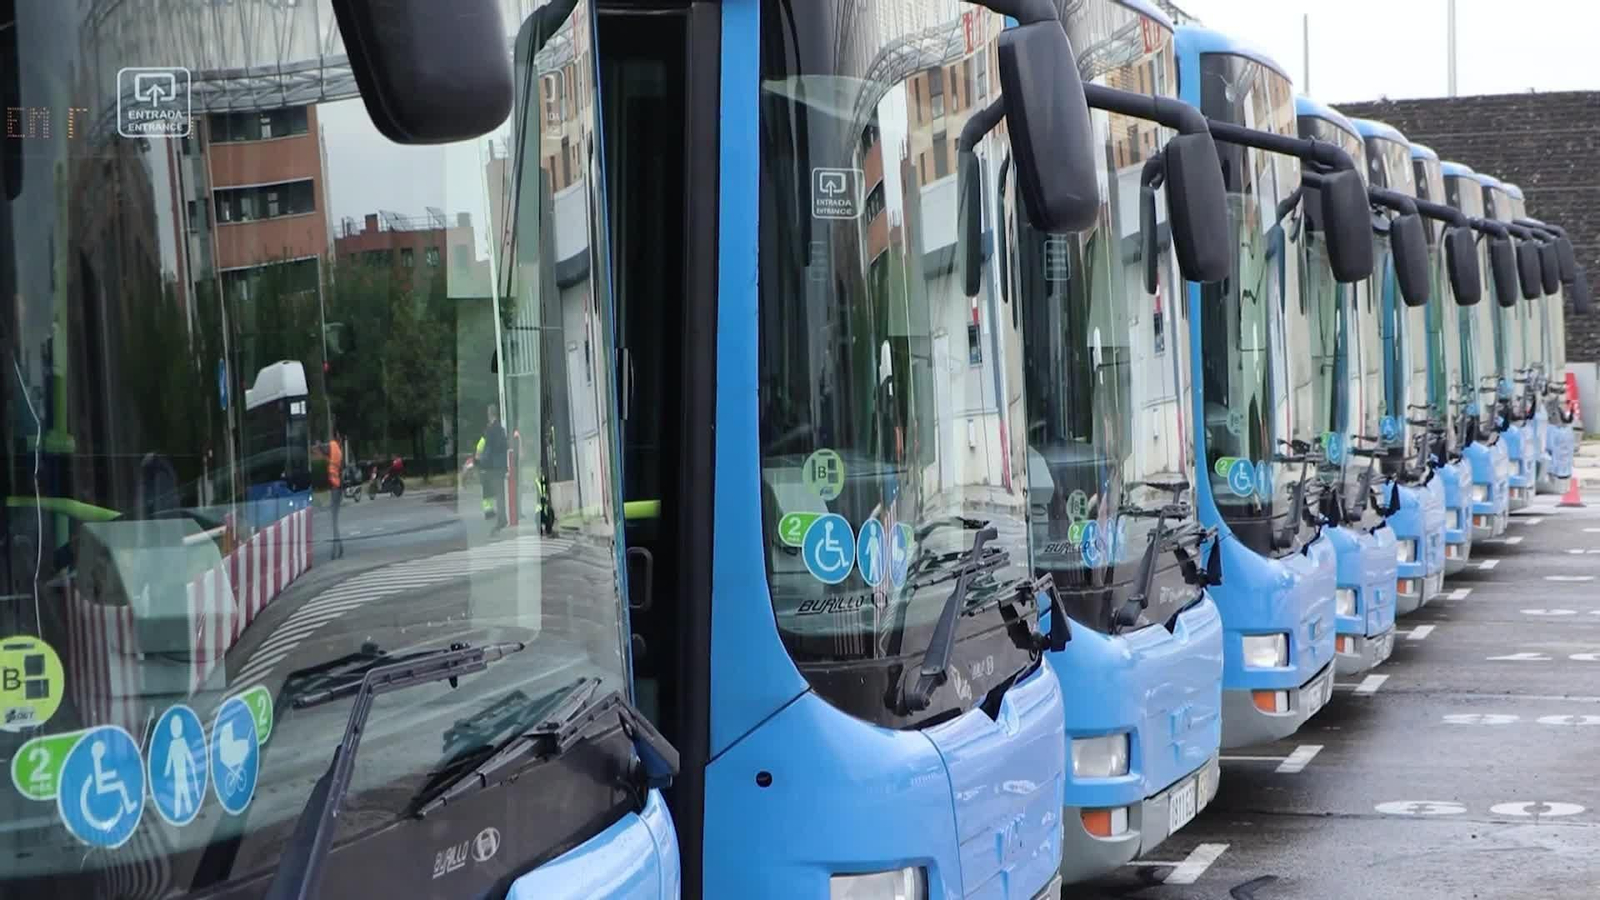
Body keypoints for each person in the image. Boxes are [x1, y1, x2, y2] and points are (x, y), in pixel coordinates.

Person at [482, 403, 509, 532]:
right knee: (501, 493)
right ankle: (502, 518)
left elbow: (487, 449)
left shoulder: (490, 430)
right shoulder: (501, 429)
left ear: (489, 414)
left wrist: (483, 462)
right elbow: (504, 446)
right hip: (501, 465)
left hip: (493, 466)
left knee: (497, 493)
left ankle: (501, 520)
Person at [327, 427, 345, 559]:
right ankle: (339, 548)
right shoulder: (339, 449)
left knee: (333, 521)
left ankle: (336, 551)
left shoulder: (332, 446)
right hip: (338, 487)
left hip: (335, 487)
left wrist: (315, 446)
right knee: (335, 520)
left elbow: (322, 449)